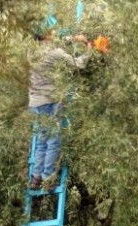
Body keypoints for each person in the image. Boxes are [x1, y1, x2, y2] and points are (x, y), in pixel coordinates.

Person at [28, 22, 92, 190]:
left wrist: (74, 38)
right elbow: (78, 64)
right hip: (49, 102)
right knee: (53, 141)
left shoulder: (32, 51)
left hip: (34, 102)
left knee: (42, 140)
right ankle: (48, 179)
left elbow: (56, 41)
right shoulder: (55, 52)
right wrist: (89, 50)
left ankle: (36, 178)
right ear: (47, 35)